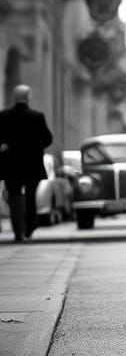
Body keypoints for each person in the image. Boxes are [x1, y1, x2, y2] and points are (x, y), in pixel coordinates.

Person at [0, 85, 54, 241]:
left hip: (10, 164)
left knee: (14, 195)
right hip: (32, 163)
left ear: (14, 98)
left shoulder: (4, 116)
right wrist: (37, 147)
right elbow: (48, 139)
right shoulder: (37, 117)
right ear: (28, 97)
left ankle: (18, 230)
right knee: (30, 196)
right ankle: (30, 226)